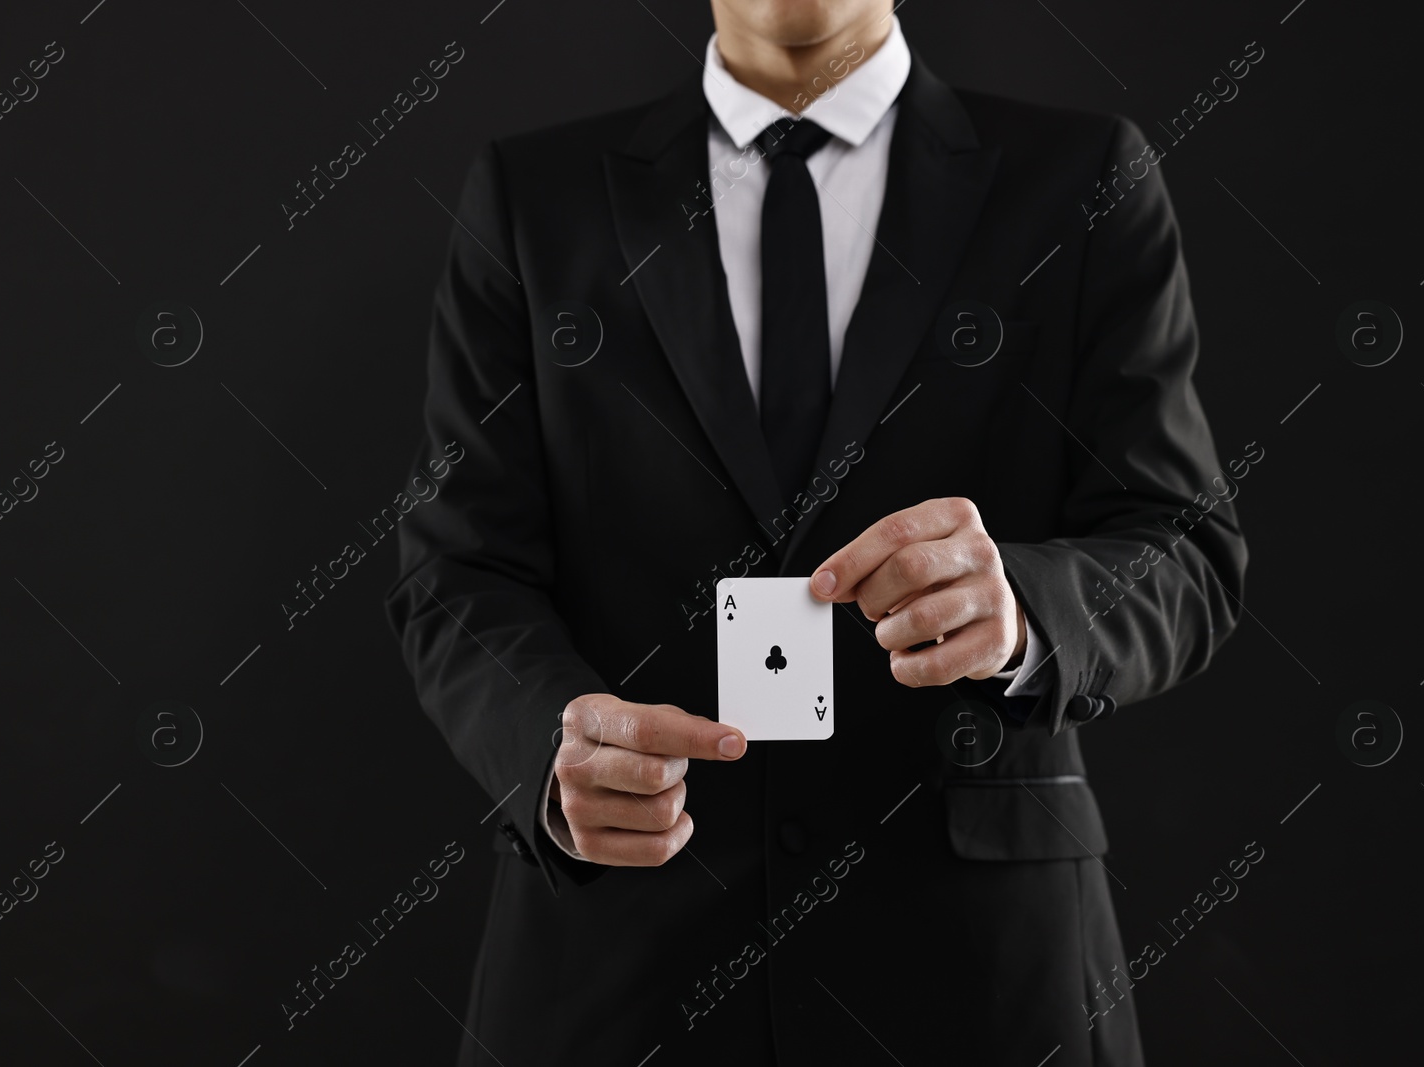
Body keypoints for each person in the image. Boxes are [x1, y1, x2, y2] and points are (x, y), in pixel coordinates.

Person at [386, 1, 1247, 1063]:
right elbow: (457, 570)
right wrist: (550, 743)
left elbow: (1184, 549)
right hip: (621, 968)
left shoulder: (1083, 177)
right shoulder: (534, 196)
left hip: (978, 973)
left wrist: (1021, 609)